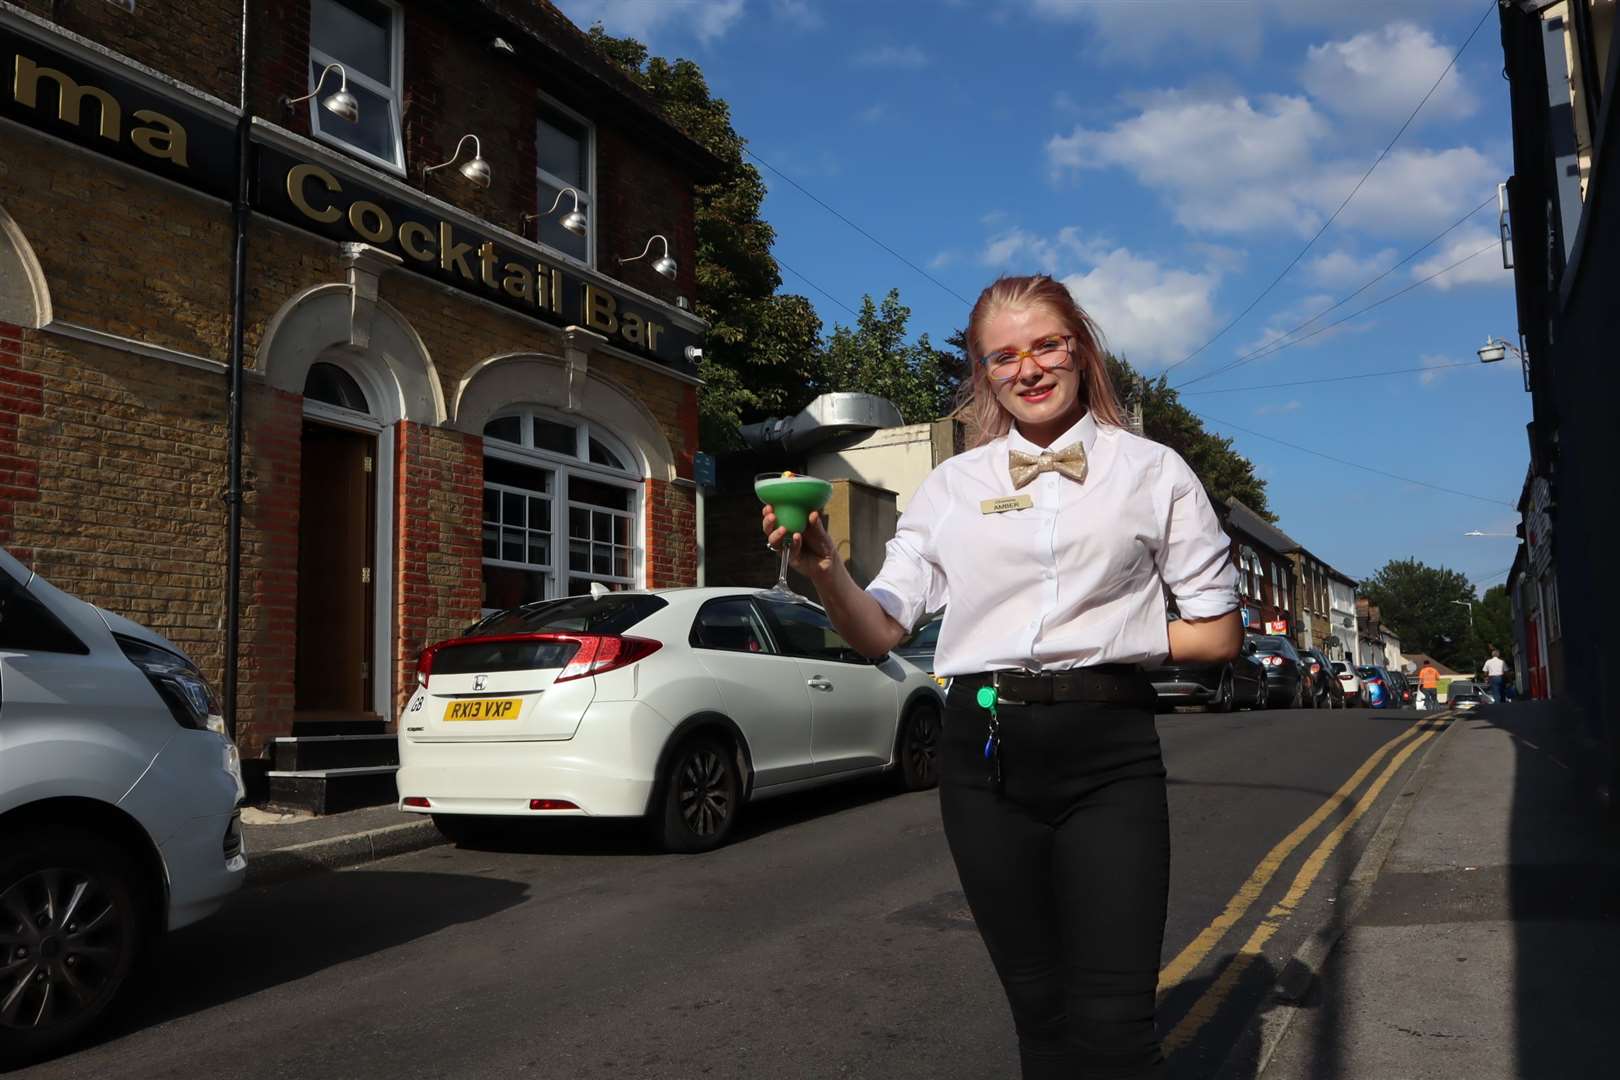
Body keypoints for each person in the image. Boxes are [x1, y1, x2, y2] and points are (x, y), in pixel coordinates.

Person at [762, 275, 1240, 1079]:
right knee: (1041, 1022)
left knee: (1117, 1028)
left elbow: (1218, 633)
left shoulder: (1155, 472)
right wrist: (826, 572)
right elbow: (880, 627)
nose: (1029, 369)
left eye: (1046, 345)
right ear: (983, 374)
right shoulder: (954, 486)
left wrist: (1099, 635)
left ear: (1081, 350)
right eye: (1003, 356)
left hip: (1108, 752)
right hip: (981, 753)